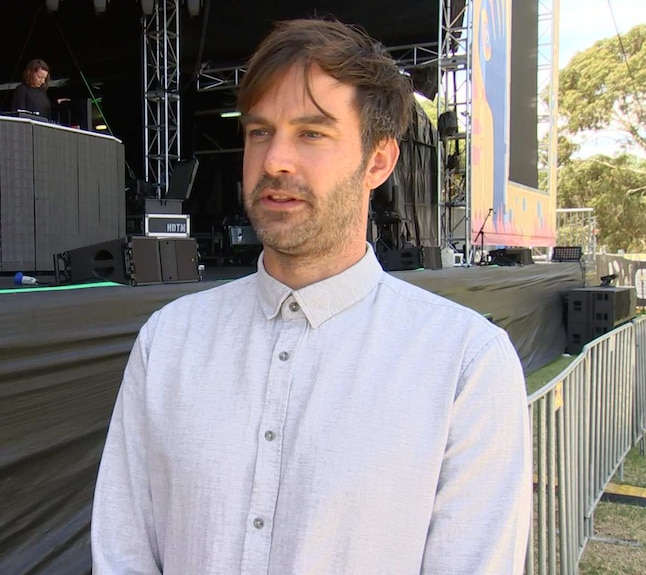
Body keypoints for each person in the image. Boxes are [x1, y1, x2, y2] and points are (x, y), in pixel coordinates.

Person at [91, 18, 531, 574]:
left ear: (378, 161)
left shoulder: (464, 365)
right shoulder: (169, 341)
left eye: (311, 133)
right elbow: (123, 551)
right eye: (259, 132)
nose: (275, 160)